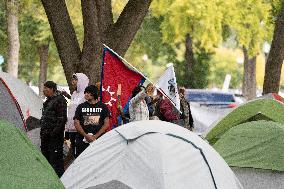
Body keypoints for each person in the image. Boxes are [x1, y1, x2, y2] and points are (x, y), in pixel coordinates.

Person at [40, 81, 67, 177]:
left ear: (52, 89)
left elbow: (62, 119)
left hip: (54, 138)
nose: (44, 90)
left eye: (46, 88)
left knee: (55, 161)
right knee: (45, 159)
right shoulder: (48, 101)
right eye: (44, 88)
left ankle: (60, 180)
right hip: (45, 135)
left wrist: (53, 133)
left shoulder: (60, 100)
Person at [74, 85, 110, 156]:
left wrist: (95, 136)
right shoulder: (80, 106)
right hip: (82, 140)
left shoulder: (103, 107)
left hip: (98, 141)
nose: (86, 94)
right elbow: (76, 122)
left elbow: (106, 124)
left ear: (94, 94)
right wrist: (85, 135)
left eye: (88, 92)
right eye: (85, 92)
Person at [64, 73, 89, 158]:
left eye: (75, 79)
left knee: (81, 152)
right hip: (71, 129)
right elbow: (71, 111)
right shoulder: (74, 94)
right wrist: (67, 128)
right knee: (74, 151)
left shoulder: (86, 95)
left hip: (80, 129)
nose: (73, 81)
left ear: (81, 81)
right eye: (73, 79)